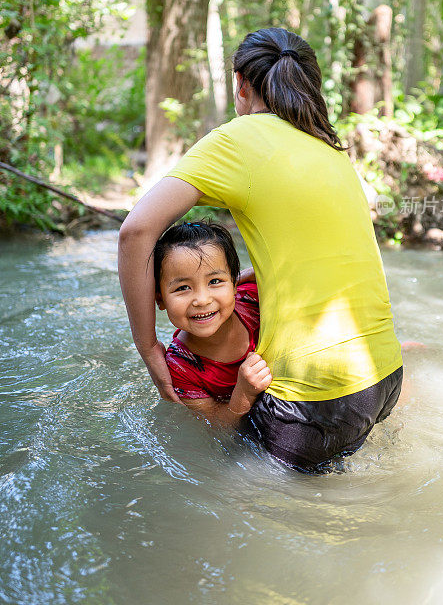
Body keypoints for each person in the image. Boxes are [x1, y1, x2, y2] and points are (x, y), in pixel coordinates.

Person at [118, 26, 403, 473]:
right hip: (384, 376)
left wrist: (148, 348)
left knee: (244, 501)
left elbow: (136, 232)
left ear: (240, 83)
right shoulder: (330, 149)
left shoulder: (237, 138)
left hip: (316, 394)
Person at [154, 220, 271, 426]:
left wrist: (263, 275)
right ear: (160, 299)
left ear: (235, 284)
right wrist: (243, 394)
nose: (202, 300)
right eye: (182, 288)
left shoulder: (254, 300)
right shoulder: (180, 367)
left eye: (215, 281)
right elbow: (216, 426)